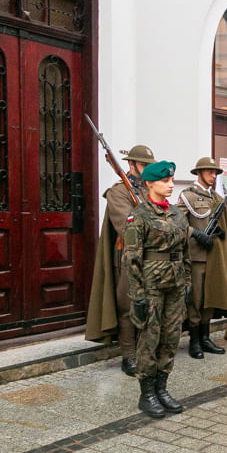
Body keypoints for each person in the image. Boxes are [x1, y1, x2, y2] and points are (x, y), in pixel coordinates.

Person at [123, 160, 191, 419]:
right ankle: (147, 394)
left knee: (171, 336)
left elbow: (184, 252)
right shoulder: (138, 215)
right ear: (150, 183)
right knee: (149, 339)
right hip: (150, 286)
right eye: (165, 181)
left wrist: (186, 284)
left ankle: (162, 389)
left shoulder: (177, 213)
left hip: (174, 285)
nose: (171, 185)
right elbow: (131, 258)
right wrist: (138, 295)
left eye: (172, 180)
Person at [86, 145, 154, 376]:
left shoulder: (150, 190)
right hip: (129, 257)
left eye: (150, 167)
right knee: (128, 306)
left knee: (150, 304)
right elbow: (127, 226)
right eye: (143, 165)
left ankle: (146, 350)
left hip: (151, 256)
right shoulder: (118, 192)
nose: (147, 171)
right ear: (131, 165)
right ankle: (128, 355)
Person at [178, 157, 227, 359]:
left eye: (216, 173)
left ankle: (205, 338)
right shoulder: (187, 195)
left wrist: (220, 233)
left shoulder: (216, 197)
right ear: (200, 173)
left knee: (208, 299)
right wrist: (195, 234)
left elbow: (219, 222)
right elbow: (177, 225)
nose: (214, 176)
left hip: (214, 256)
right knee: (195, 300)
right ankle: (194, 341)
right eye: (210, 172)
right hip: (196, 258)